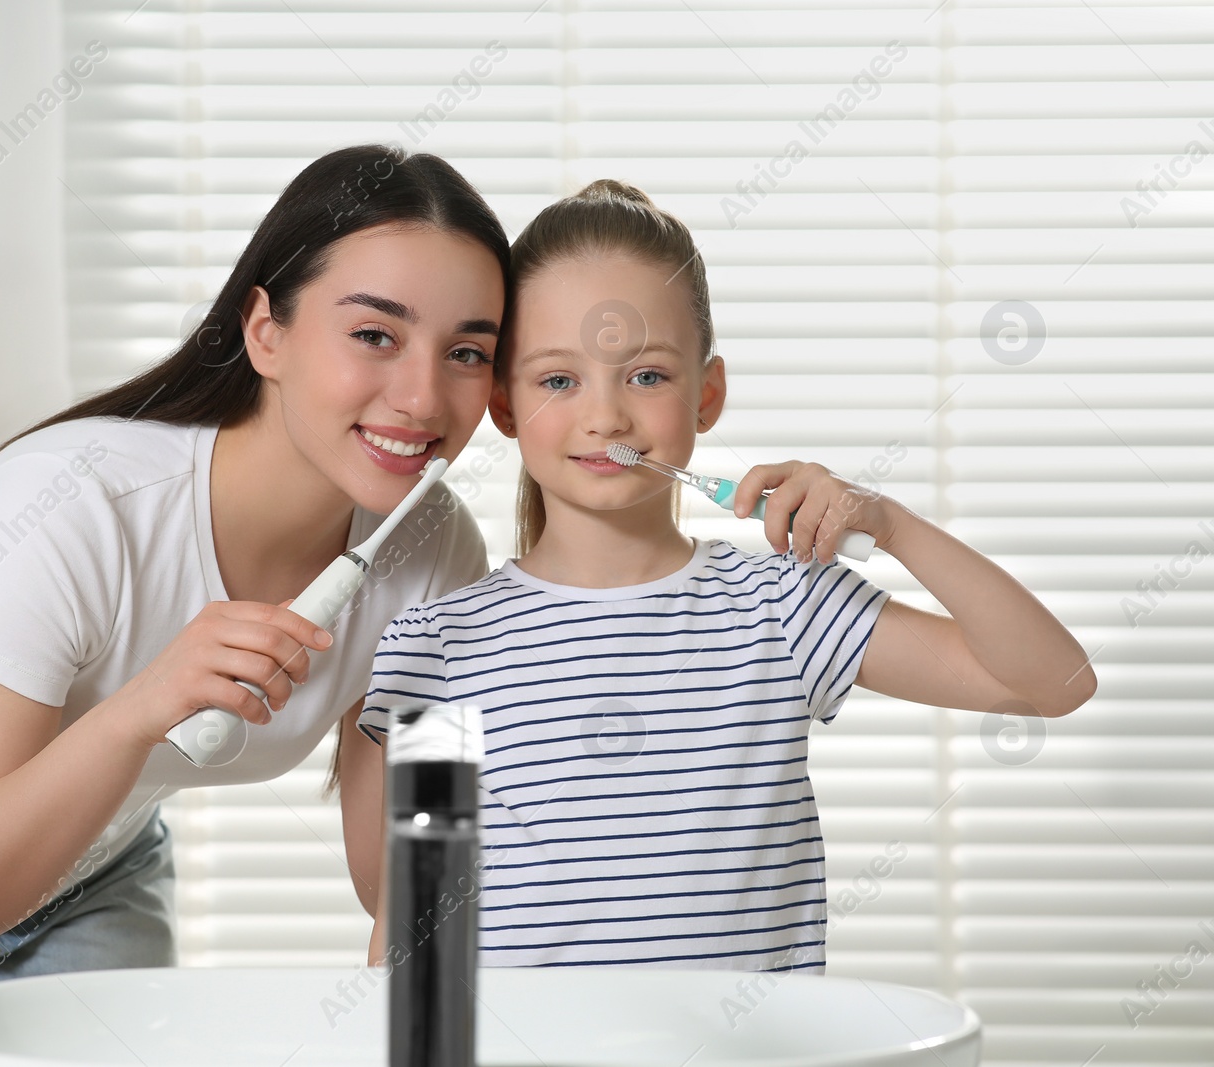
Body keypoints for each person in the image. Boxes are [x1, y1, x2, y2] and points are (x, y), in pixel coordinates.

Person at [0, 143, 508, 1066]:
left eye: (468, 353)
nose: (421, 395)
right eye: (375, 334)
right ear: (266, 332)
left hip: (92, 866)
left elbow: (402, 880)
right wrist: (142, 707)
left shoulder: (434, 548)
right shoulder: (72, 503)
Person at [341, 179, 1096, 971]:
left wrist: (892, 524)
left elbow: (1057, 681)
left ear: (708, 394)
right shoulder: (439, 643)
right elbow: (405, 922)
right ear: (503, 404)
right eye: (558, 380)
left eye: (647, 375)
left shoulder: (783, 605)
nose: (606, 416)